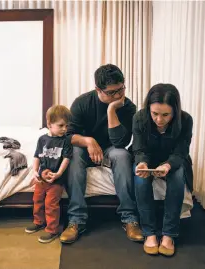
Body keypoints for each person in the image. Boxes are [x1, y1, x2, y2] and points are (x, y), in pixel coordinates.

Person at [60, 64, 143, 244]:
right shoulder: (82, 103)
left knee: (122, 155)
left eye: (121, 89)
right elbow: (68, 137)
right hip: (84, 148)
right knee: (73, 153)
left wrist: (111, 109)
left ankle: (129, 218)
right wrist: (89, 141)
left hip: (111, 148)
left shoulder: (127, 107)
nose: (119, 95)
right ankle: (76, 219)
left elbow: (120, 142)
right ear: (98, 89)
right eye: (112, 92)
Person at [132, 83, 193, 256]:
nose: (159, 119)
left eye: (165, 115)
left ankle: (169, 234)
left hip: (173, 159)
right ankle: (149, 233)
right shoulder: (139, 118)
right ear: (148, 109)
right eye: (155, 114)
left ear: (175, 110)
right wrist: (142, 163)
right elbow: (138, 148)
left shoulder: (186, 120)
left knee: (178, 176)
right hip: (146, 159)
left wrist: (167, 165)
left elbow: (181, 151)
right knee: (140, 178)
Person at [25, 105, 73, 243]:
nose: (65, 129)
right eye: (61, 125)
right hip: (41, 179)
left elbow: (66, 159)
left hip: (55, 181)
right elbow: (37, 157)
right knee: (37, 200)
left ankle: (52, 229)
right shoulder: (42, 140)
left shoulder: (66, 140)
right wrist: (35, 171)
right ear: (49, 124)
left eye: (67, 125)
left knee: (51, 204)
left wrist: (58, 174)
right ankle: (38, 221)